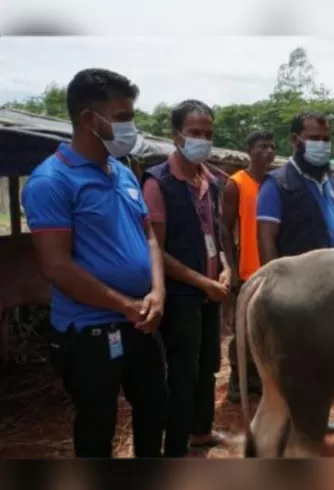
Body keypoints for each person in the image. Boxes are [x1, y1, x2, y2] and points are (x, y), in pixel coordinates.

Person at [20, 68, 167, 458]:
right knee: (97, 425)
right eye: (122, 117)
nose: (131, 126)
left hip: (141, 320)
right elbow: (57, 267)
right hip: (89, 332)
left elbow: (149, 236)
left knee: (154, 408)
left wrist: (156, 292)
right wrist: (128, 305)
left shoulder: (123, 173)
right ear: (89, 119)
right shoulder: (51, 181)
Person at [141, 99, 232, 457]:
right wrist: (202, 282)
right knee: (182, 374)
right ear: (175, 135)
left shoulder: (211, 181)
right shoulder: (158, 183)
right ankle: (175, 450)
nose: (203, 140)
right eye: (195, 133)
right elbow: (156, 251)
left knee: (208, 367)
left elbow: (217, 236)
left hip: (210, 292)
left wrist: (224, 268)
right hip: (181, 296)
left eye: (208, 134)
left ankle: (200, 431)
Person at [256, 111, 334, 435]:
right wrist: (275, 288)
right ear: (295, 140)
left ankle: (316, 417)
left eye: (326, 139)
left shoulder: (333, 181)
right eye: (314, 138)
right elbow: (266, 239)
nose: (322, 145)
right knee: (294, 360)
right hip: (298, 289)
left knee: (324, 358)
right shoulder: (278, 183)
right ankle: (284, 427)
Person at [221, 130, 276, 403]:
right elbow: (224, 228)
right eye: (262, 147)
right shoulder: (236, 184)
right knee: (242, 330)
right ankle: (237, 378)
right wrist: (230, 267)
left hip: (271, 270)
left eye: (271, 147)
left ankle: (257, 379)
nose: (268, 152)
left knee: (266, 328)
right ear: (249, 151)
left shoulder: (274, 184)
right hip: (246, 271)